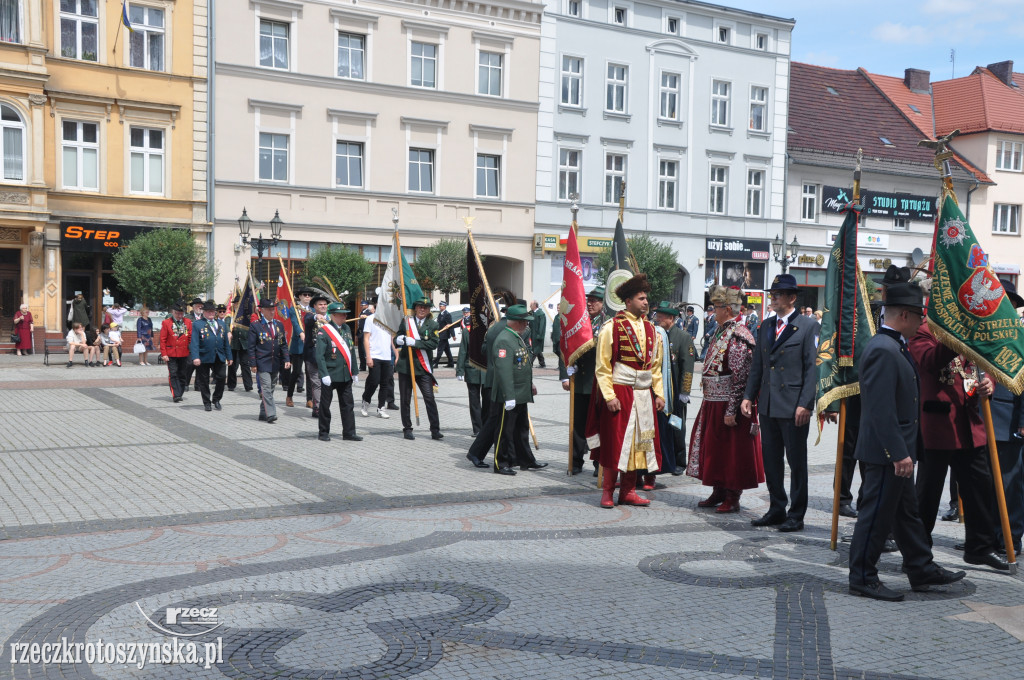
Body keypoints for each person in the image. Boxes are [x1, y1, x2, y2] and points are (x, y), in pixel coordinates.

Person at [848, 281, 967, 601]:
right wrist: (898, 452)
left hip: (895, 451)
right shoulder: (883, 349)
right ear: (904, 315)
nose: (921, 323)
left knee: (906, 515)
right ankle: (862, 576)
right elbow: (880, 410)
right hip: (886, 452)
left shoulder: (893, 345)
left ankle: (920, 566)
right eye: (918, 316)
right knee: (875, 516)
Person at [909, 312, 1009, 572]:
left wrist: (990, 381)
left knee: (980, 488)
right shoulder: (924, 330)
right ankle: (918, 553)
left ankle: (979, 548)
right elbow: (929, 361)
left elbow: (988, 362)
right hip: (938, 425)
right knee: (928, 493)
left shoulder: (973, 328)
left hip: (969, 424)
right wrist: (955, 335)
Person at [741, 273, 817, 532]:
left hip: (794, 405)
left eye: (778, 295)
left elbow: (812, 368)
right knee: (771, 459)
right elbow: (758, 367)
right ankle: (776, 508)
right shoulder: (765, 326)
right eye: (772, 295)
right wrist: (749, 396)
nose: (772, 299)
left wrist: (806, 403)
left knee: (796, 462)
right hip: (769, 404)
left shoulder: (807, 326)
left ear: (792, 298)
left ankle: (796, 514)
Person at [586, 273, 665, 508]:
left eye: (646, 298)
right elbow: (602, 366)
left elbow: (656, 366)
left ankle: (629, 491)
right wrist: (609, 396)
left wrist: (658, 393)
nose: (646, 302)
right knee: (616, 443)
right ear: (628, 301)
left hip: (643, 394)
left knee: (639, 444)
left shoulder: (653, 330)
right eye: (641, 298)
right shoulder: (612, 327)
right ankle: (608, 492)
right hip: (620, 393)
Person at [687, 287, 764, 512]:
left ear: (727, 309)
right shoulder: (721, 331)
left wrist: (732, 409)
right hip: (712, 402)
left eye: (716, 307)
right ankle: (718, 489)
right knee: (715, 449)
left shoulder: (739, 335)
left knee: (731, 452)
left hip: (727, 404)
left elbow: (740, 377)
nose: (713, 311)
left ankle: (732, 496)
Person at [492, 304, 546, 475]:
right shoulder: (504, 340)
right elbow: (504, 370)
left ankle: (525, 459)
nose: (526, 325)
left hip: (520, 392)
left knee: (521, 429)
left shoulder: (516, 337)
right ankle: (502, 463)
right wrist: (509, 396)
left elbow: (522, 366)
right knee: (504, 431)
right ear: (515, 322)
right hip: (509, 394)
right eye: (524, 322)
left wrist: (530, 384)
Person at [558, 287, 607, 476]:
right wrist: (566, 371)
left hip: (598, 383)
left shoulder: (606, 323)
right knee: (577, 426)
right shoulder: (579, 321)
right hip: (580, 381)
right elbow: (564, 344)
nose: (591, 303)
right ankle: (576, 461)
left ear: (603, 303)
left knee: (596, 427)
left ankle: (597, 463)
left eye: (596, 300)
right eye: (589, 300)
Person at [648, 300, 695, 483]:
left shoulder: (682, 337)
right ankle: (665, 458)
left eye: (661, 316)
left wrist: (685, 391)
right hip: (659, 391)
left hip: (675, 393)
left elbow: (688, 367)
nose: (657, 319)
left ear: (671, 318)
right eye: (657, 315)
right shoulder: (657, 334)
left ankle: (679, 461)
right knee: (661, 427)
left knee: (677, 426)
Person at [395, 297, 441, 441]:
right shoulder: (407, 322)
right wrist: (399, 340)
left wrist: (415, 342)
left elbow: (433, 344)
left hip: (423, 368)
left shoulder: (433, 325)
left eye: (426, 308)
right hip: (406, 366)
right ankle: (407, 429)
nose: (422, 309)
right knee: (405, 400)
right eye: (420, 307)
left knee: (429, 398)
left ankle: (435, 429)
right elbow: (397, 336)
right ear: (415, 308)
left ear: (429, 311)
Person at [315, 302, 362, 442]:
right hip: (330, 373)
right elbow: (319, 356)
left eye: (345, 314)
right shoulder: (324, 331)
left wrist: (354, 371)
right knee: (325, 405)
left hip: (344, 374)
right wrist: (324, 374)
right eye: (342, 314)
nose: (345, 316)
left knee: (348, 405)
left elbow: (351, 351)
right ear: (333, 315)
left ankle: (349, 432)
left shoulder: (347, 328)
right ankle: (323, 432)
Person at [249, 298, 291, 424]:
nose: (272, 312)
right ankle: (271, 414)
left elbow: (283, 344)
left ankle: (263, 411)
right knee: (266, 388)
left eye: (273, 309)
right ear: (262, 310)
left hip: (275, 362)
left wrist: (287, 359)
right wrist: (253, 363)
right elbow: (251, 347)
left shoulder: (279, 324)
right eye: (269, 309)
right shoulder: (255, 325)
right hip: (262, 361)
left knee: (271, 387)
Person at [189, 301, 232, 411]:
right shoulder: (197, 324)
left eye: (213, 311)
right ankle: (207, 402)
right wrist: (195, 357)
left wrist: (229, 356)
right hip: (204, 356)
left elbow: (226, 342)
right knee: (203, 380)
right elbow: (194, 342)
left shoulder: (221, 324)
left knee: (221, 377)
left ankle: (216, 399)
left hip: (219, 356)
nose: (211, 313)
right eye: (208, 311)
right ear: (204, 312)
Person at [360, 307, 395, 419]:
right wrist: (368, 356)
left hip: (386, 356)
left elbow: (391, 339)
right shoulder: (370, 319)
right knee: (374, 381)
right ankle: (366, 400)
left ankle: (381, 408)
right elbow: (366, 338)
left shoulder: (390, 320)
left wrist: (396, 353)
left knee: (385, 383)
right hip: (374, 355)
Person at [455, 313, 485, 435]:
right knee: (474, 402)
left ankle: (486, 428)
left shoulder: (488, 332)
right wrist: (460, 370)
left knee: (488, 402)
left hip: (486, 372)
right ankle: (477, 429)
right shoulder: (467, 332)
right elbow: (463, 351)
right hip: (472, 371)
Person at [301, 294, 330, 418]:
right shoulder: (310, 316)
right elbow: (308, 320)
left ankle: (320, 406)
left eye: (324, 304)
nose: (323, 306)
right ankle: (318, 408)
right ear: (314, 306)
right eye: (320, 304)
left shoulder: (330, 318)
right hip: (313, 356)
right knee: (316, 383)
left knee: (326, 383)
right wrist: (315, 316)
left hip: (328, 357)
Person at [160, 303, 192, 402]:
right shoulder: (166, 323)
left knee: (182, 374)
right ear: (173, 312)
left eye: (181, 314)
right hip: (171, 352)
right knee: (173, 373)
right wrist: (164, 354)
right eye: (177, 313)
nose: (180, 316)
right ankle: (176, 394)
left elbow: (190, 337)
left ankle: (180, 392)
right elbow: (162, 339)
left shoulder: (188, 322)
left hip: (184, 352)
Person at [227, 295, 253, 392]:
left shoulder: (246, 316)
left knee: (245, 364)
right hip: (234, 343)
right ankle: (231, 384)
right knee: (232, 365)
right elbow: (226, 325)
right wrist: (229, 331)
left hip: (244, 343)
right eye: (236, 303)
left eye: (239, 303)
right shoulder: (230, 316)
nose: (237, 305)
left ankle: (248, 385)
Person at [433, 301, 454, 368]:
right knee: (447, 350)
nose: (440, 307)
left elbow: (450, 325)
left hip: (444, 335)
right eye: (439, 306)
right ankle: (451, 363)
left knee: (440, 349)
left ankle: (435, 363)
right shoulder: (440, 314)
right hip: (440, 333)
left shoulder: (447, 314)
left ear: (444, 306)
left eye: (441, 306)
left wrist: (453, 335)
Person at [529, 301, 547, 368]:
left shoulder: (540, 314)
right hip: (533, 334)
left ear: (535, 305)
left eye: (531, 305)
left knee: (535, 349)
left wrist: (540, 335)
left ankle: (530, 362)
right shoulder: (532, 313)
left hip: (537, 335)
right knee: (537, 349)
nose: (530, 306)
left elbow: (542, 326)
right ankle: (542, 363)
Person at [356, 300, 372, 372]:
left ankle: (367, 365)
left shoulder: (369, 313)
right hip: (360, 332)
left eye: (363, 305)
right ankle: (362, 366)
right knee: (360, 351)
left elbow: (372, 317)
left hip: (365, 332)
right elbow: (359, 324)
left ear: (367, 305)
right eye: (361, 305)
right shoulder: (361, 312)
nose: (362, 306)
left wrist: (367, 316)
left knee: (364, 350)